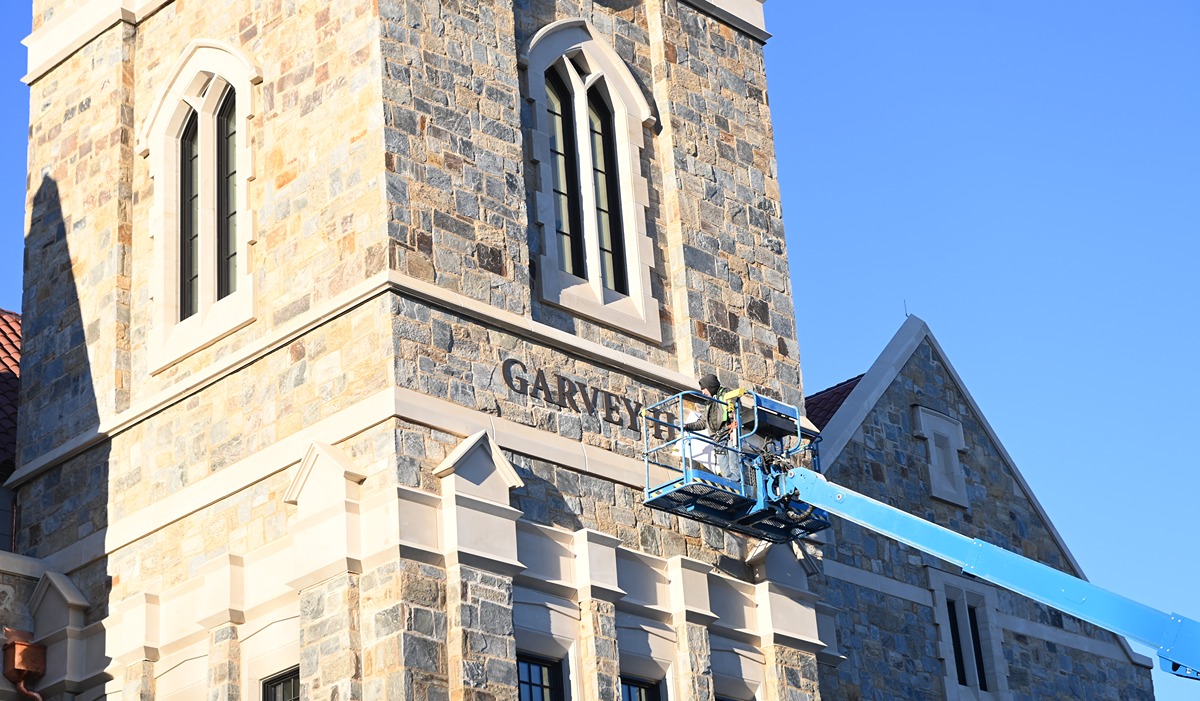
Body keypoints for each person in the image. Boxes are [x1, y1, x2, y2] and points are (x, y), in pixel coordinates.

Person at [684, 374, 740, 480]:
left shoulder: (726, 394)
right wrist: (688, 426)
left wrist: (734, 427)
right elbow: (703, 422)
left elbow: (735, 409)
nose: (703, 392)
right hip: (719, 438)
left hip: (729, 433)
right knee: (725, 470)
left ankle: (737, 482)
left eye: (704, 389)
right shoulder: (710, 403)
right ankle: (731, 482)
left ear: (710, 387)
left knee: (733, 463)